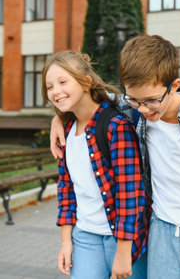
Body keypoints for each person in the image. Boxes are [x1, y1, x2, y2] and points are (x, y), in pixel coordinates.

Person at [50, 35, 180, 278]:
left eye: (150, 101)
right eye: (134, 100)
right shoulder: (134, 109)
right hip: (159, 231)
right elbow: (92, 100)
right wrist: (59, 117)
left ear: (174, 85)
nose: (143, 109)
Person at [42, 50, 149, 279]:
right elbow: (67, 189)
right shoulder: (66, 131)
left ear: (86, 82)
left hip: (121, 237)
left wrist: (123, 250)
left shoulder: (114, 126)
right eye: (50, 86)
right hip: (85, 237)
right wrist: (66, 242)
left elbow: (130, 192)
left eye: (63, 82)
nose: (56, 91)